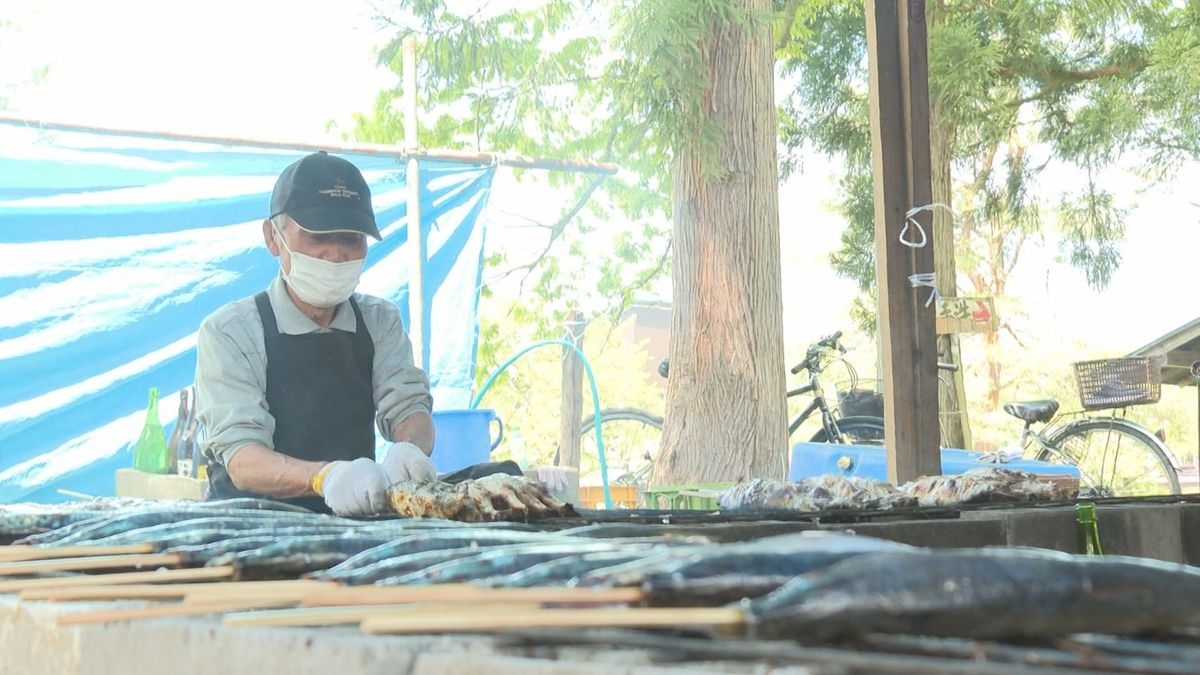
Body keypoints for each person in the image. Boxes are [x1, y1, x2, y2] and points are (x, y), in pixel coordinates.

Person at [194, 151, 443, 516]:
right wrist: (324, 478)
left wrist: (409, 450)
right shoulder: (230, 333)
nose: (337, 254)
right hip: (251, 532)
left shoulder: (379, 322)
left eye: (352, 237)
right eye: (317, 236)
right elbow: (243, 459)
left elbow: (409, 409)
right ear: (273, 237)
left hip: (350, 527)